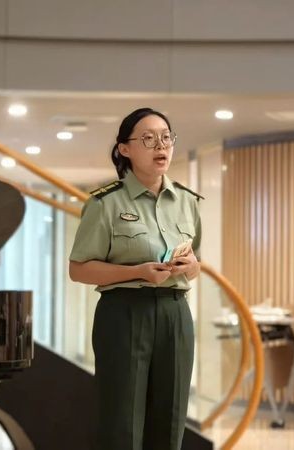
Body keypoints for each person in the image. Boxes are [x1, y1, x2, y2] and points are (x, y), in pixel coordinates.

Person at [69, 107, 203, 450]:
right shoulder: (105, 203)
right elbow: (79, 268)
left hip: (175, 313)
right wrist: (137, 272)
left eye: (166, 137)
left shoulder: (187, 201)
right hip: (124, 313)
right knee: (122, 423)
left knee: (171, 419)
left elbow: (197, 265)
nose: (161, 145)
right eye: (148, 138)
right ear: (125, 149)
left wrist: (190, 265)